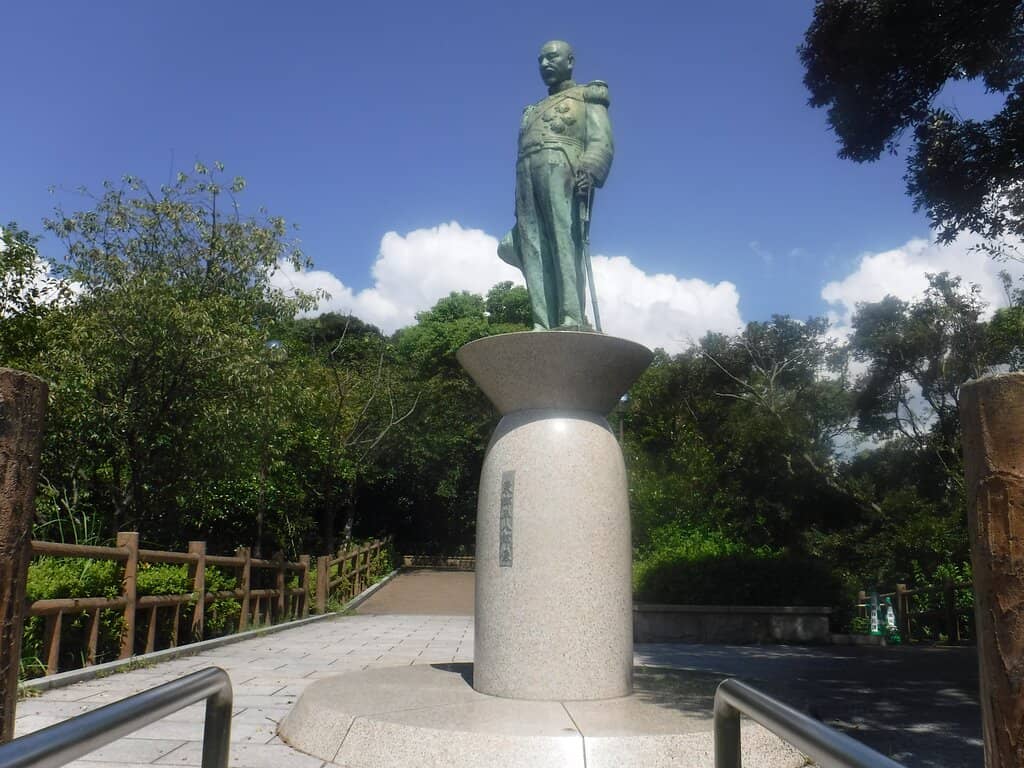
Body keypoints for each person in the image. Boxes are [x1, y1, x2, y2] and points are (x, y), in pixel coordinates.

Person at [498, 40, 614, 330]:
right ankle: (541, 320)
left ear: (570, 61)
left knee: (565, 241)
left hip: (564, 169)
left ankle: (571, 316)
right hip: (526, 175)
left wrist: (589, 169)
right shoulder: (530, 110)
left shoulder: (588, 96)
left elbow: (602, 142)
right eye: (540, 60)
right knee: (531, 244)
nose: (545, 64)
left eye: (552, 57)